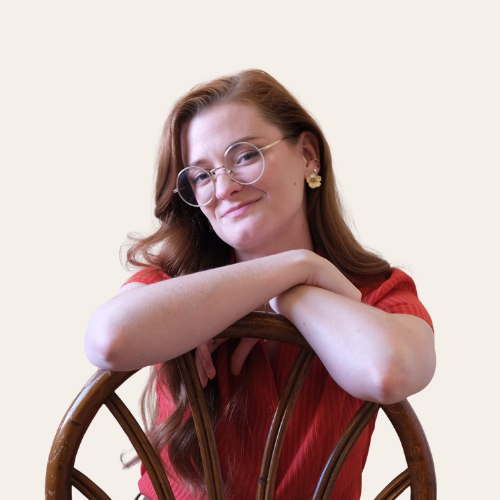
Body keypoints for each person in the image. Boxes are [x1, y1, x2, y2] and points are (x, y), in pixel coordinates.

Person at [85, 69, 436, 500]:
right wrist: (297, 266)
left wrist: (290, 294)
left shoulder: (377, 291)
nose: (225, 187)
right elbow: (108, 340)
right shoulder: (172, 283)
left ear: (308, 155)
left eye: (245, 155)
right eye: (201, 176)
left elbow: (390, 372)